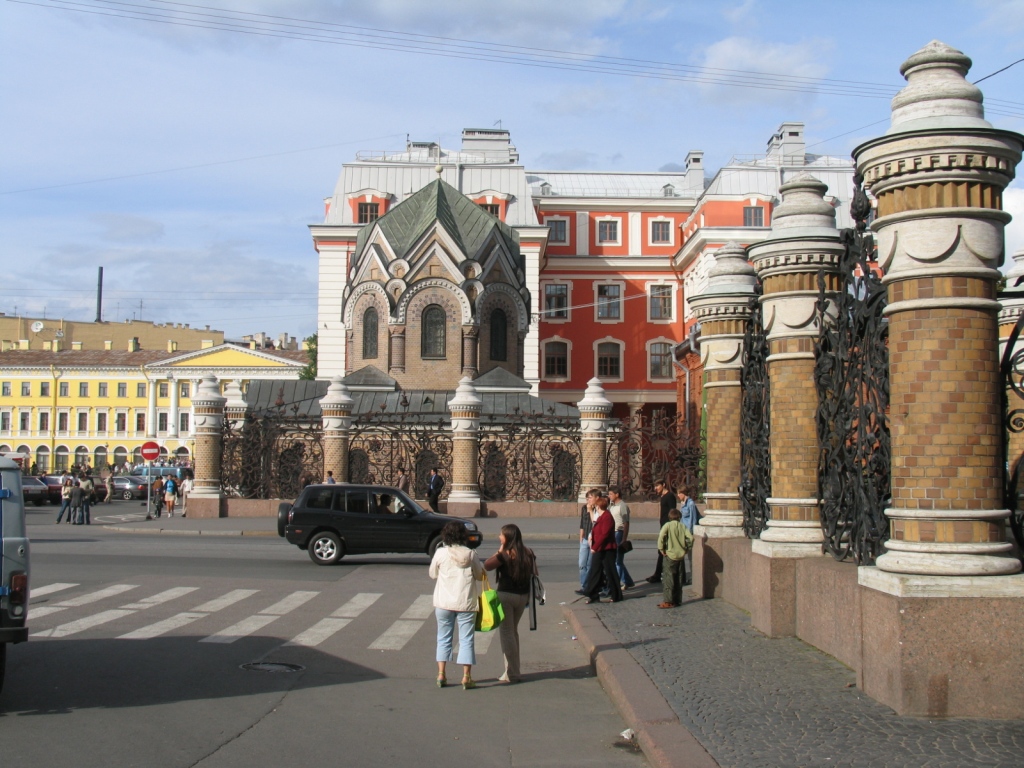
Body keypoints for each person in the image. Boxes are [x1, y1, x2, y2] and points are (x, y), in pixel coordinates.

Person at [429, 520, 485, 690]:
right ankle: (466, 677)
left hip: (443, 603)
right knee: (466, 640)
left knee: (443, 638)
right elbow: (479, 575)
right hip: (465, 603)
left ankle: (441, 674)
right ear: (463, 536)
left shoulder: (440, 553)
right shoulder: (470, 554)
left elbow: (432, 574)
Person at [484, 524, 536, 684]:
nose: (499, 537)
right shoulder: (528, 552)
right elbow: (536, 574)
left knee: (507, 633)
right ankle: (513, 671)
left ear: (507, 537)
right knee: (513, 632)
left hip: (506, 595)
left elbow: (487, 565)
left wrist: (500, 550)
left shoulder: (505, 554)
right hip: (523, 597)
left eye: (501, 535)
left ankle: (512, 673)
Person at [581, 493, 622, 604]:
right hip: (600, 548)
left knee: (610, 571)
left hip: (607, 549)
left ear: (598, 506)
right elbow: (595, 530)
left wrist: (595, 547)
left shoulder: (607, 517)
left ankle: (616, 595)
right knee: (595, 571)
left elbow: (604, 535)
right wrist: (592, 539)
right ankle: (592, 594)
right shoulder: (602, 517)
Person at [657, 508, 694, 608]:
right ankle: (677, 600)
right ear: (679, 517)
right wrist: (687, 548)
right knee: (679, 579)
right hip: (680, 556)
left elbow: (661, 536)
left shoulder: (667, 525)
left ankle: (668, 601)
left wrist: (661, 549)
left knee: (668, 579)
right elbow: (690, 538)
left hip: (670, 555)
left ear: (669, 517)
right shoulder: (682, 526)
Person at [646, 480, 676, 583]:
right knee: (662, 551)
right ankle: (658, 574)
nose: (656, 488)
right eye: (655, 486)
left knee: (663, 551)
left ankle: (658, 575)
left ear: (663, 485)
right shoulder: (663, 497)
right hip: (663, 526)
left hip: (667, 527)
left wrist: (669, 527)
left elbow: (673, 512)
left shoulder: (670, 496)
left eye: (657, 486)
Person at [607, 486, 634, 590]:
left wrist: (624, 538)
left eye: (611, 494)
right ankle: (628, 581)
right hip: (612, 533)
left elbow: (626, 523)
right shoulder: (611, 505)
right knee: (617, 560)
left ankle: (616, 584)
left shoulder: (622, 506)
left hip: (619, 532)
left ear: (617, 494)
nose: (609, 496)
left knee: (617, 560)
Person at [576, 489, 599, 595]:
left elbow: (595, 522)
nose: (588, 500)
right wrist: (581, 535)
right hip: (585, 539)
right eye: (587, 498)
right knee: (581, 564)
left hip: (594, 539)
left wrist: (591, 510)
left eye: (590, 497)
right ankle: (584, 585)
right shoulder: (584, 508)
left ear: (596, 498)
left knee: (590, 565)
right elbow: (583, 522)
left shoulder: (599, 509)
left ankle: (589, 587)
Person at [677, 488, 699, 585]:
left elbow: (693, 520)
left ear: (683, 493)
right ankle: (682, 577)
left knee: (691, 556)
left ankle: (693, 577)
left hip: (688, 533)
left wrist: (689, 534)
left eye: (679, 493)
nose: (678, 495)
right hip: (683, 532)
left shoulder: (690, 504)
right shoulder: (682, 503)